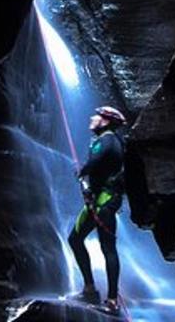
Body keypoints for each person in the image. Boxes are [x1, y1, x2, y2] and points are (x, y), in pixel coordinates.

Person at [65, 105, 127, 314]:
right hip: (100, 200)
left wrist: (81, 171)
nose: (92, 118)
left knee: (108, 248)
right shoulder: (115, 141)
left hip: (105, 201)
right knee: (75, 239)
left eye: (97, 116)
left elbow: (95, 161)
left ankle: (111, 302)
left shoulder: (107, 140)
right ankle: (90, 290)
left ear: (106, 121)